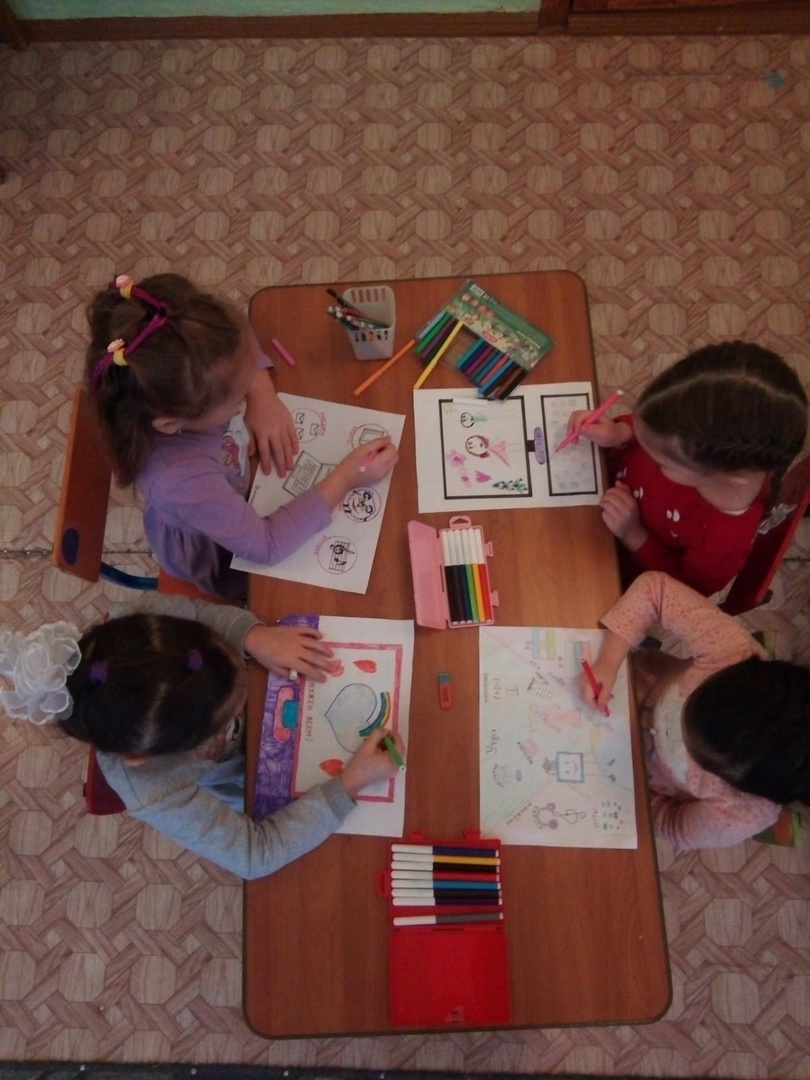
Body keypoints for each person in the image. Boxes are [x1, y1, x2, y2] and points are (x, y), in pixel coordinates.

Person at [0, 594, 406, 879]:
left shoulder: (146, 625)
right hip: (240, 779)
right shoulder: (151, 788)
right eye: (230, 713)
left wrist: (252, 637)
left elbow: (197, 612)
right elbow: (254, 855)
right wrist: (350, 784)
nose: (244, 705)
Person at [85, 273, 398, 598]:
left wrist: (262, 392)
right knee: (275, 595)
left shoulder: (192, 342)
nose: (246, 390)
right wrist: (347, 478)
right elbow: (266, 545)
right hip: (217, 554)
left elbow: (240, 338)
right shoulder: (179, 478)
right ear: (171, 423)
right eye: (238, 398)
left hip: (235, 490)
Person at [578, 570, 810, 850]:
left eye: (692, 750)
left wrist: (622, 788)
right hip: (627, 683)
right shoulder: (732, 651)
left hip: (623, 777)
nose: (676, 730)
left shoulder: (744, 814)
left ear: (737, 781)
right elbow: (654, 589)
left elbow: (674, 826)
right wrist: (608, 662)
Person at [564, 341, 808, 596]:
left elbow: (688, 589)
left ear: (729, 475)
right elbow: (658, 431)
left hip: (615, 557)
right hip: (594, 488)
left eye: (664, 463)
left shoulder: (724, 541)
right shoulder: (703, 444)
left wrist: (632, 534)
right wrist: (620, 432)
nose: (651, 455)